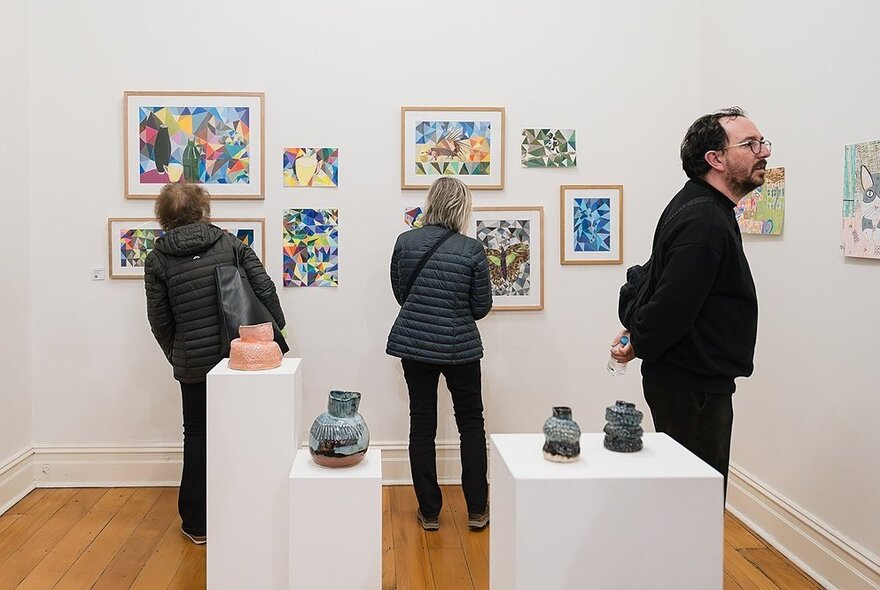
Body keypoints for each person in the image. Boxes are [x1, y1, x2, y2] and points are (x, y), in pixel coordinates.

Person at [610, 107, 766, 495]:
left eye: (762, 142)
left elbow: (658, 285)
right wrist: (642, 335)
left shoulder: (699, 206)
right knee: (695, 504)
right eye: (750, 144)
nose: (763, 151)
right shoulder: (706, 219)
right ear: (715, 159)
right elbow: (670, 305)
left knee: (686, 502)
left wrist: (639, 335)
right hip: (692, 387)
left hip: (689, 381)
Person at [145, 183, 285, 544]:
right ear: (201, 208)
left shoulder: (158, 258)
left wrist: (177, 352)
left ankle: (197, 524)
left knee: (197, 435)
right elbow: (264, 289)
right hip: (239, 356)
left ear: (164, 216)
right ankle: (251, 512)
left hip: (193, 361)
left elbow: (159, 320)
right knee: (247, 431)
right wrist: (276, 329)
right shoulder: (229, 244)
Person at [386, 177, 492, 531]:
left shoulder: (405, 243)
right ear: (461, 207)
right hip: (459, 346)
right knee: (471, 424)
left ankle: (429, 512)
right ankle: (477, 509)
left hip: (414, 345)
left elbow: (402, 293)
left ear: (431, 203)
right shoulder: (472, 250)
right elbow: (481, 307)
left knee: (422, 423)